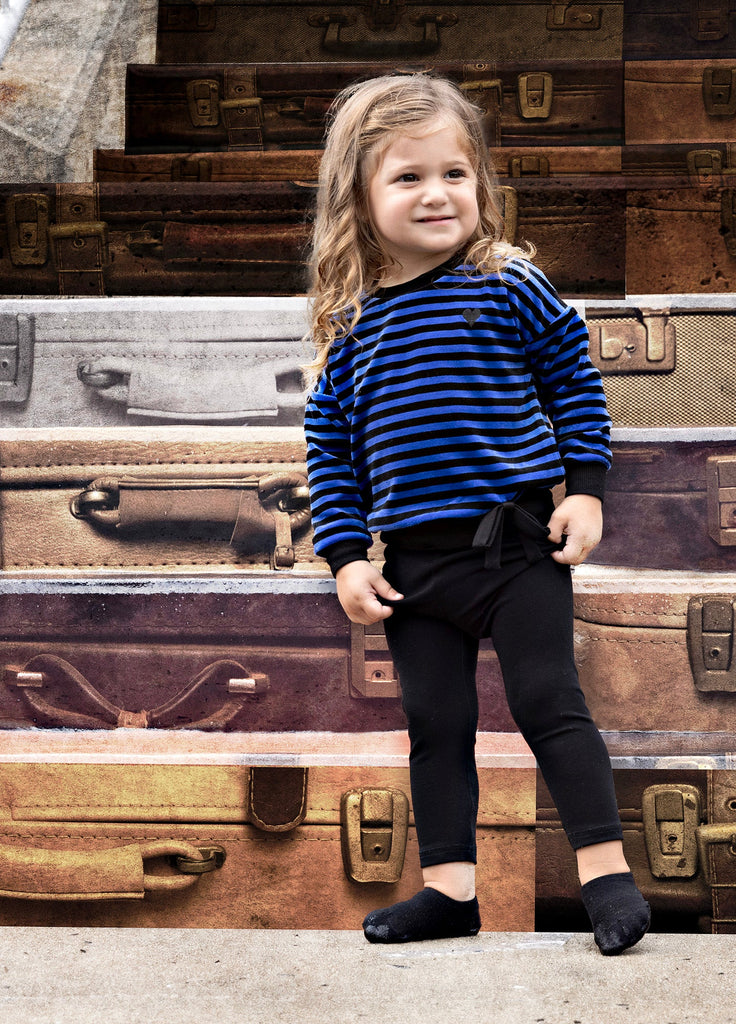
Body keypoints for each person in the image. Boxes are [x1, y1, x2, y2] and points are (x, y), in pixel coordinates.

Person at [303, 73, 649, 955]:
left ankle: (606, 876)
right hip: (415, 569)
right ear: (360, 196)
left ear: (482, 185)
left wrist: (585, 489)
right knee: (439, 724)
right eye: (408, 177)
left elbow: (575, 382)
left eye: (455, 173)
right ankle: (451, 893)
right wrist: (346, 558)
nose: (437, 194)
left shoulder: (507, 284)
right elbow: (330, 454)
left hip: (517, 550)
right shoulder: (352, 325)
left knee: (549, 704)